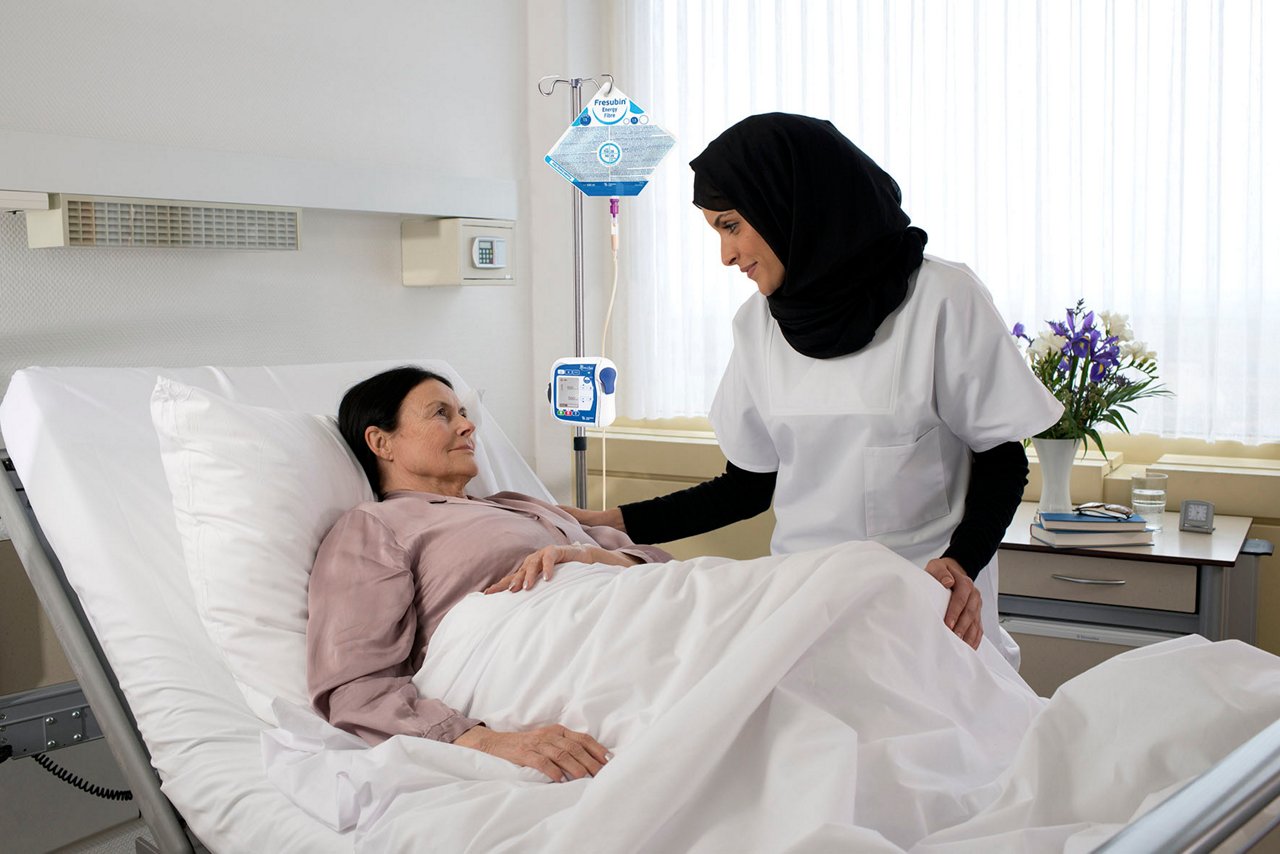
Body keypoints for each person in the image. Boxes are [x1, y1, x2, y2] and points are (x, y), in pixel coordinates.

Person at [564, 113, 1062, 664]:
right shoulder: (758, 326)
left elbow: (1001, 459)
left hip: (928, 604)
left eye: (731, 226)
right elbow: (747, 487)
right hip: (804, 607)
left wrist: (961, 562)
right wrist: (612, 524)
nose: (726, 256)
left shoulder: (943, 299)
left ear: (789, 204)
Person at [306, 366, 673, 783]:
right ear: (381, 442)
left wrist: (590, 557)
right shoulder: (375, 526)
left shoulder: (517, 503)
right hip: (544, 650)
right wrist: (488, 741)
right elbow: (355, 686)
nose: (467, 425)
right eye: (441, 414)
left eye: (462, 412)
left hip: (637, 608)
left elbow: (665, 565)